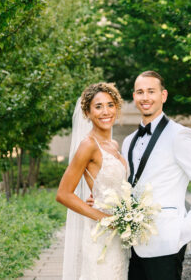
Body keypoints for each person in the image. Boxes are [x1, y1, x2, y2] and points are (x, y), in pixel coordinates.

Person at [122, 71, 191, 280]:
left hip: (167, 242)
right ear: (134, 97)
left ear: (163, 96)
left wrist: (185, 231)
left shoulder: (180, 135)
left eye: (151, 91)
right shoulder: (128, 141)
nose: (145, 97)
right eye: (140, 92)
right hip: (132, 245)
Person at [56, 82, 129, 280]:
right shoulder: (88, 145)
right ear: (87, 113)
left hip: (120, 233)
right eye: (98, 107)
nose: (106, 111)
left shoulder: (113, 144)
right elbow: (63, 194)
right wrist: (103, 217)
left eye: (110, 105)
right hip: (101, 234)